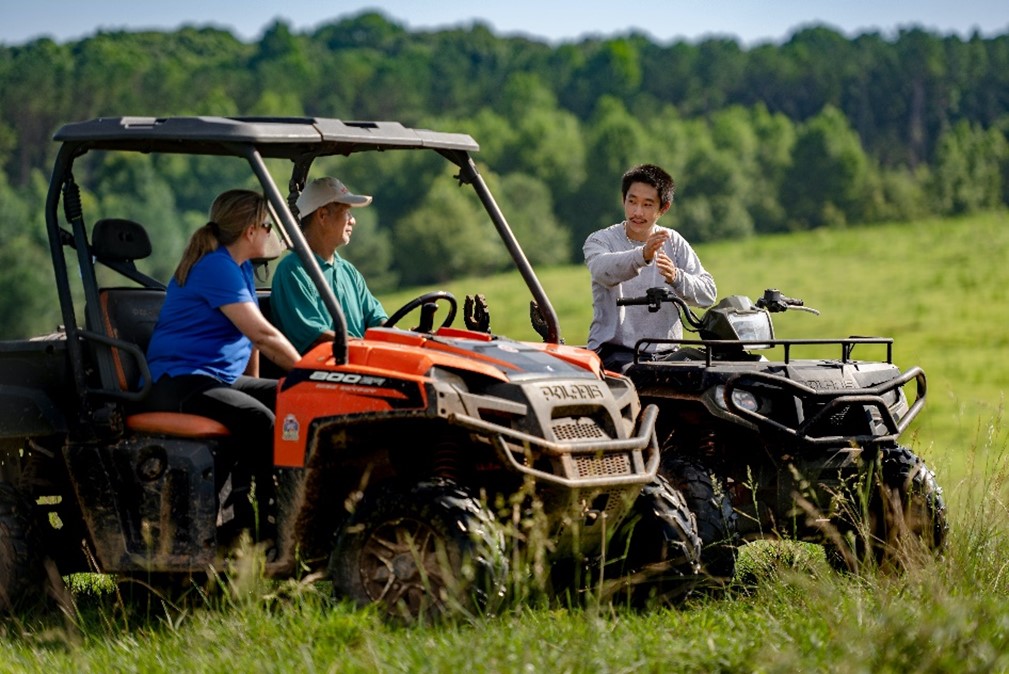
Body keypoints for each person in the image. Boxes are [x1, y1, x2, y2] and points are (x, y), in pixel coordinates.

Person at [145, 189, 301, 541]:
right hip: (181, 382)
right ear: (250, 231)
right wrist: (311, 372)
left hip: (215, 379)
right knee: (260, 419)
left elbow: (248, 341)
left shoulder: (239, 266)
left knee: (288, 398)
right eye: (267, 226)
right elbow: (262, 334)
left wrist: (265, 386)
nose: (271, 233)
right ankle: (261, 528)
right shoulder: (215, 267)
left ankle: (282, 512)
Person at [584, 163, 717, 372]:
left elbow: (708, 294)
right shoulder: (600, 240)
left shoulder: (673, 241)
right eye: (632, 202)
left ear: (663, 208)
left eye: (647, 204)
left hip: (669, 354)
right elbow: (602, 270)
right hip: (614, 353)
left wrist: (677, 277)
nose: (637, 212)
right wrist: (643, 255)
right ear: (623, 200)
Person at [270, 176, 387, 353]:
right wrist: (365, 347)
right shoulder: (293, 271)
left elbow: (378, 320)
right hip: (325, 370)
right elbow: (316, 338)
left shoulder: (349, 271)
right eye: (347, 213)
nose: (352, 221)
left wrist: (409, 338)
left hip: (359, 363)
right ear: (323, 216)